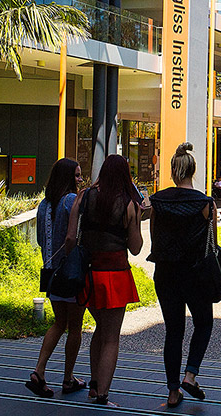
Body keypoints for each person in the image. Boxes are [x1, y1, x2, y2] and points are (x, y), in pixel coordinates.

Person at [68, 154, 145, 406]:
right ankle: (102, 394)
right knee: (111, 336)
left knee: (99, 330)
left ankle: (93, 384)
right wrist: (140, 218)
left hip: (88, 273)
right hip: (115, 275)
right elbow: (135, 248)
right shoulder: (129, 204)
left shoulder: (84, 197)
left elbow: (70, 238)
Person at [149, 142, 217, 408]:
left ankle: (172, 391)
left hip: (166, 274)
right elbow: (212, 245)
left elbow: (155, 238)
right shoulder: (205, 204)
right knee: (203, 323)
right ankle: (190, 374)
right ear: (193, 170)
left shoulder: (158, 201)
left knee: (173, 331)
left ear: (173, 172)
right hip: (195, 274)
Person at [25, 158, 87, 399]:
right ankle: (68, 378)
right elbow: (77, 234)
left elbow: (41, 240)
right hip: (70, 273)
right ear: (67, 178)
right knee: (75, 328)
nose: (81, 180)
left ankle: (39, 371)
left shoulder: (43, 205)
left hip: (50, 273)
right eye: (77, 176)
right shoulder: (71, 201)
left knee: (58, 323)